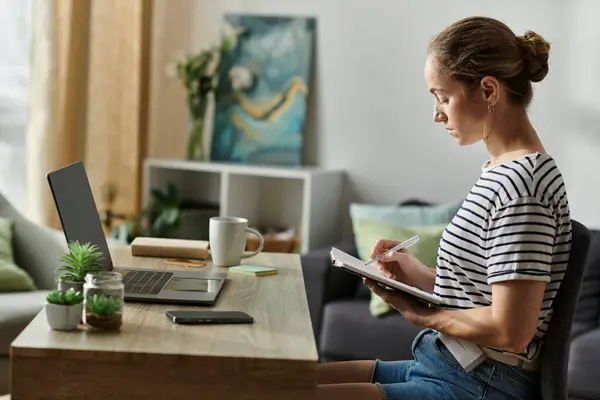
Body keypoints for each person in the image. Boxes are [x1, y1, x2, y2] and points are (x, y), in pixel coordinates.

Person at [317, 16, 572, 400]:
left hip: (479, 382)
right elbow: (481, 296)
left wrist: (424, 315)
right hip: (447, 363)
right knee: (282, 379)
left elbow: (511, 329)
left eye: (443, 96)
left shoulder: (524, 186)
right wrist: (414, 275)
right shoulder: (500, 172)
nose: (436, 113)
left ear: (488, 90)